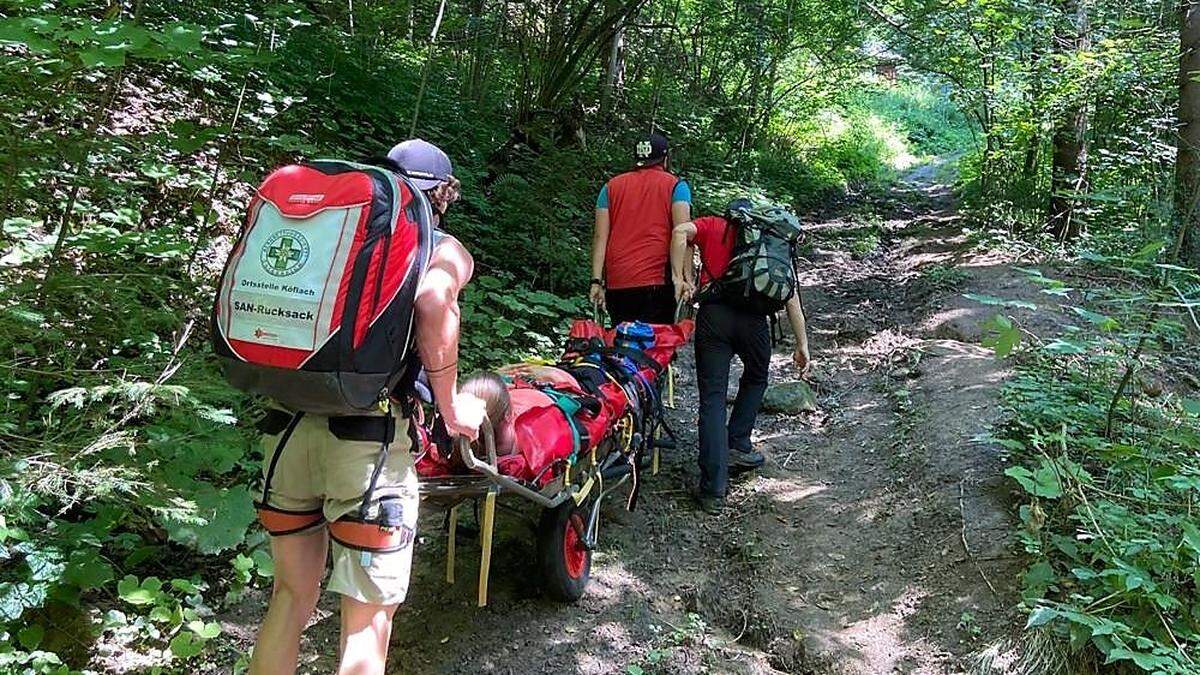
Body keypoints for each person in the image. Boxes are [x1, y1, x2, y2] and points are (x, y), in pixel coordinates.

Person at [248, 139, 486, 675]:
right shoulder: (441, 244)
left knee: (289, 600)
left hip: (284, 432)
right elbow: (433, 301)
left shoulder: (330, 234)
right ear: (442, 193)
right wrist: (451, 410)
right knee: (366, 627)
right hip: (367, 449)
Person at [670, 199, 811, 514]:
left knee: (713, 398)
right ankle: (738, 443)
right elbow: (791, 297)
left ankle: (713, 490)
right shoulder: (771, 241)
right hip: (754, 320)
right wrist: (802, 345)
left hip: (715, 317)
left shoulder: (713, 226)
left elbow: (680, 231)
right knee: (758, 376)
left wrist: (682, 279)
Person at [589, 132, 693, 324]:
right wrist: (685, 278)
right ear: (665, 158)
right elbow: (683, 234)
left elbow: (599, 237)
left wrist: (596, 281)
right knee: (654, 347)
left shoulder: (610, 187)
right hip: (657, 282)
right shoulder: (677, 186)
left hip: (618, 282)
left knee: (621, 345)